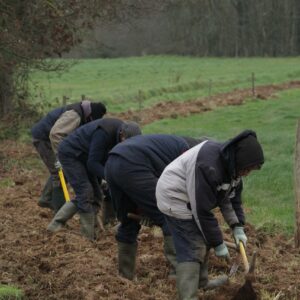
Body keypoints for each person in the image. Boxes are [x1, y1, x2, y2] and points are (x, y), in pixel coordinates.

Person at [155, 130, 264, 300]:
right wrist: (218, 243)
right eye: (247, 169)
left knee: (203, 238)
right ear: (240, 161)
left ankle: (202, 282)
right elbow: (202, 211)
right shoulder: (209, 165)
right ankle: (188, 296)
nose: (247, 173)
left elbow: (231, 200)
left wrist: (238, 227)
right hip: (174, 195)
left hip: (193, 197)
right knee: (192, 246)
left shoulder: (233, 168)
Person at [105, 134, 201, 280]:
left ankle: (125, 277)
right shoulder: (187, 154)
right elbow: (174, 193)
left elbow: (148, 189)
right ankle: (181, 276)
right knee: (169, 216)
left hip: (112, 163)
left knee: (128, 220)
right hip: (133, 165)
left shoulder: (169, 145)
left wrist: (145, 211)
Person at [47, 118, 141, 240]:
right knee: (85, 192)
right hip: (71, 154)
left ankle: (95, 230)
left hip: (86, 156)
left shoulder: (120, 136)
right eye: (127, 141)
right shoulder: (104, 133)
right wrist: (110, 177)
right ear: (122, 134)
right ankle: (79, 234)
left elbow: (103, 158)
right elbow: (93, 163)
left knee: (97, 194)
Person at [31, 100, 107, 212]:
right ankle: (56, 211)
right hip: (44, 139)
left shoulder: (83, 112)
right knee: (60, 172)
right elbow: (56, 134)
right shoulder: (74, 115)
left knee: (61, 171)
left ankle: (46, 198)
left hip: (52, 139)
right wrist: (61, 156)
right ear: (90, 115)